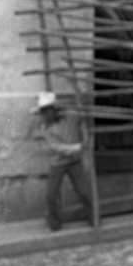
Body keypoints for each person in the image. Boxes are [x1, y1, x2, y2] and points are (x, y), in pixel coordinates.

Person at [30, 92, 93, 231]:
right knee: (51, 195)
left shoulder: (71, 117)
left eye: (47, 111)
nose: (45, 115)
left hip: (74, 161)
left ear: (54, 110)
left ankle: (93, 217)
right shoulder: (44, 128)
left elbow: (83, 119)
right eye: (43, 112)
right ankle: (55, 224)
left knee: (84, 191)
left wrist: (86, 136)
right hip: (57, 163)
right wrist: (79, 146)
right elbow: (56, 147)